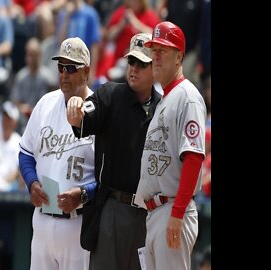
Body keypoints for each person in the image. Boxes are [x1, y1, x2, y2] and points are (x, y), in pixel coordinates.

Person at [67, 33, 161, 270]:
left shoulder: (165, 106)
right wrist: (77, 112)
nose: (134, 69)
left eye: (142, 64)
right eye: (131, 62)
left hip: (150, 212)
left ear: (155, 68)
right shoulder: (110, 94)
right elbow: (87, 116)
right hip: (113, 207)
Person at [18, 37, 97, 270]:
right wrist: (31, 183)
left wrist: (83, 194)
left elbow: (109, 175)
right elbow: (25, 153)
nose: (64, 74)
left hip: (78, 224)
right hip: (42, 220)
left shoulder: (99, 110)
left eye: (71, 68)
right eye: (61, 67)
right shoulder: (45, 103)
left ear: (86, 72)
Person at [135, 21, 207, 270]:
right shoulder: (166, 98)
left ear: (179, 57)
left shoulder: (187, 97)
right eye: (153, 51)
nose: (155, 57)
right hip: (157, 212)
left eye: (162, 51)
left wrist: (177, 213)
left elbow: (194, 158)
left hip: (172, 210)